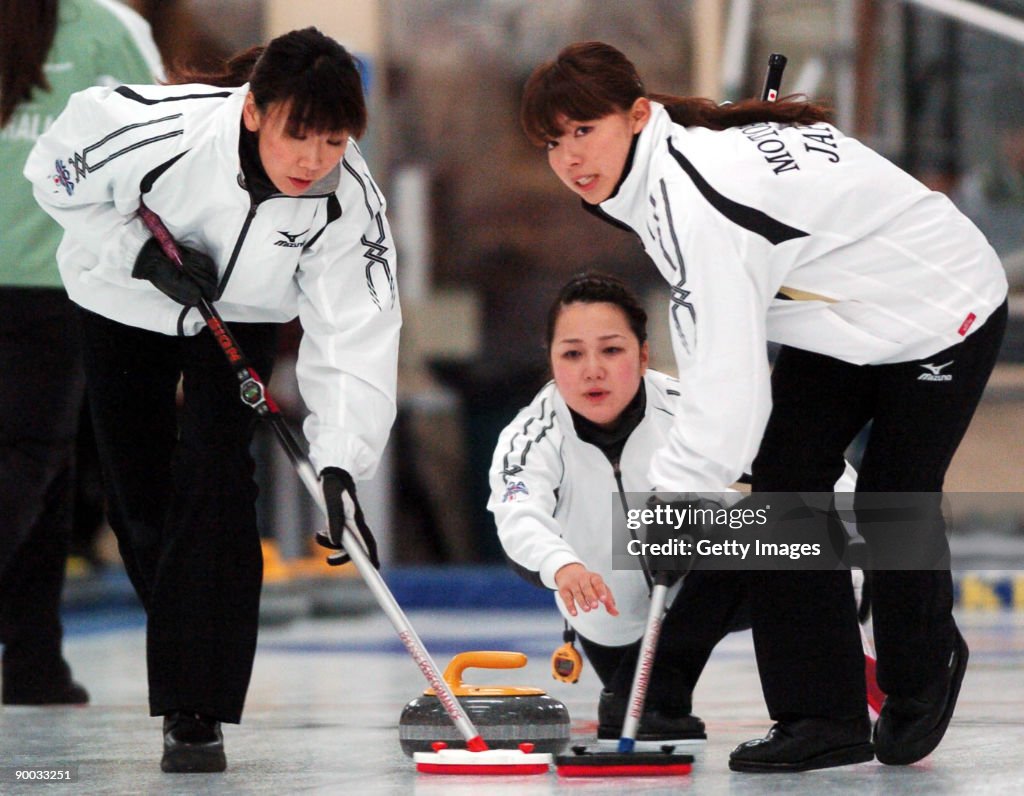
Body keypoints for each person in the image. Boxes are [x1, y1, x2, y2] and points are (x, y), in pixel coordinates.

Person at [519, 42, 1008, 772]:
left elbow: (728, 383)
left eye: (584, 130)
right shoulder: (668, 164)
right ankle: (822, 716)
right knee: (784, 485)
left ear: (638, 115)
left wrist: (675, 504)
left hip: (941, 307)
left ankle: (922, 666)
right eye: (553, 142)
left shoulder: (697, 200)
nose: (570, 157)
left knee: (890, 502)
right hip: (842, 310)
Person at [25, 27, 400, 773]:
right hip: (121, 299)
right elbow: (53, 175)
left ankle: (195, 710)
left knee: (220, 478)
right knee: (142, 500)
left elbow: (356, 330)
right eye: (300, 135)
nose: (313, 161)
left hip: (244, 314)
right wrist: (136, 254)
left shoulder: (346, 198)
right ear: (255, 111)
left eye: (333, 141)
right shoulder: (157, 129)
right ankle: (190, 637)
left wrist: (340, 463)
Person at [488, 272, 746, 746]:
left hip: (700, 587)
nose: (592, 370)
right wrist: (562, 565)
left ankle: (830, 694)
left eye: (611, 350)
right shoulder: (530, 436)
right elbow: (518, 516)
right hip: (608, 614)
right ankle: (640, 699)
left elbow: (805, 472)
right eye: (572, 353)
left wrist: (862, 556)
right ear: (551, 362)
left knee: (769, 529)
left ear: (644, 355)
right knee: (637, 704)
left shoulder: (692, 410)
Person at [0, 0, 162, 707]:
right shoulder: (108, 28)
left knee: (47, 466)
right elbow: (167, 147)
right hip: (51, 284)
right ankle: (34, 658)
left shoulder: (102, 26)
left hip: (52, 285)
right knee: (30, 460)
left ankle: (35, 659)